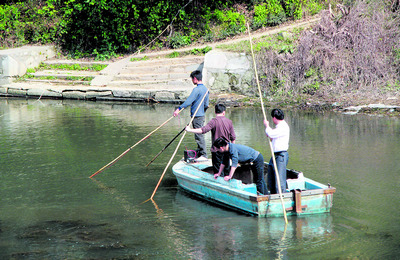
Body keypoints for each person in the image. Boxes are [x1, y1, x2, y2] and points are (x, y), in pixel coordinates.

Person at [185, 103, 236, 173]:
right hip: (226, 150)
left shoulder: (213, 121)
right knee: (226, 170)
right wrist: (233, 151)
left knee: (217, 172)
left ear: (215, 112)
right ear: (224, 112)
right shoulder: (229, 122)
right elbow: (233, 138)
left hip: (216, 151)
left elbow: (203, 130)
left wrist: (190, 130)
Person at [173, 70, 209, 160]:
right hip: (201, 115)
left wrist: (178, 109)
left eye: (192, 79)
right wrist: (202, 112)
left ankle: (204, 155)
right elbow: (206, 105)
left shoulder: (196, 89)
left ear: (195, 79)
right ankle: (200, 152)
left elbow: (189, 101)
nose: (192, 81)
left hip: (197, 116)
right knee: (198, 134)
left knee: (199, 135)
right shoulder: (206, 89)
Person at [264, 108, 290, 194]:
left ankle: (281, 195)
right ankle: (273, 194)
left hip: (281, 156)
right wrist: (270, 135)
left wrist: (267, 126)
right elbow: (272, 136)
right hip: (275, 155)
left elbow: (271, 133)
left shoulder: (283, 126)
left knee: (279, 179)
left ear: (274, 118)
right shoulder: (278, 127)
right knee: (271, 176)